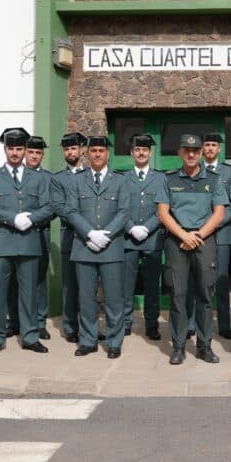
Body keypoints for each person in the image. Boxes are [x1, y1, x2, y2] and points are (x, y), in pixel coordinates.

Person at [157, 134, 227, 365]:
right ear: (179, 152)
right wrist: (183, 235)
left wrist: (197, 235)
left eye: (195, 150)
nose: (191, 154)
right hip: (177, 241)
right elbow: (163, 213)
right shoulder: (168, 180)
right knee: (177, 296)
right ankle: (178, 347)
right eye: (186, 150)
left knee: (205, 295)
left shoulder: (214, 180)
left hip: (203, 240)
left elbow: (219, 213)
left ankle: (205, 347)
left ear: (200, 153)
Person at [0, 127, 52, 355]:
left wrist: (30, 219)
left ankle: (30, 336)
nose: (15, 153)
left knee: (29, 293)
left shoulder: (39, 178)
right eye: (11, 148)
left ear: (25, 150)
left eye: (19, 148)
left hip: (30, 242)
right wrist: (12, 219)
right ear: (5, 149)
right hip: (2, 244)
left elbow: (49, 206)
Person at [65, 135, 130, 359]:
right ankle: (88, 340)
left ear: (108, 154)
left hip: (111, 248)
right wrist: (90, 233)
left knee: (113, 298)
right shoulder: (77, 180)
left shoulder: (120, 180)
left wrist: (106, 235)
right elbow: (71, 211)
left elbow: (124, 212)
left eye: (102, 150)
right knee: (86, 298)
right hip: (84, 247)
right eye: (93, 151)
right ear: (88, 154)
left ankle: (114, 342)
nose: (98, 154)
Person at [185, 133, 231, 340]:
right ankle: (191, 323)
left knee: (221, 281)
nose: (210, 149)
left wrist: (214, 223)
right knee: (195, 279)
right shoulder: (194, 170)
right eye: (207, 145)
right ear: (202, 149)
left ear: (219, 149)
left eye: (213, 145)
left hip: (220, 234)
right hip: (197, 233)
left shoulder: (228, 172)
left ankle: (224, 325)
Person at [5, 136, 54, 340]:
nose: (34, 156)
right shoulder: (14, 175)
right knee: (13, 279)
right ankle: (14, 321)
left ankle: (39, 322)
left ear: (42, 155)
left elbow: (53, 206)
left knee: (39, 279)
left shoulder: (49, 178)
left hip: (40, 232)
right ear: (25, 152)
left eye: (38, 153)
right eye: (31, 152)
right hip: (14, 232)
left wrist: (33, 219)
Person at [122, 134, 166, 341]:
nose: (141, 152)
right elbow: (119, 208)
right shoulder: (122, 178)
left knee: (151, 286)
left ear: (150, 153)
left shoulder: (161, 178)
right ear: (132, 153)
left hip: (152, 239)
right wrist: (131, 228)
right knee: (126, 285)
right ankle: (125, 323)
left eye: (145, 149)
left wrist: (147, 228)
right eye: (137, 149)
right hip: (128, 239)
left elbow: (164, 208)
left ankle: (151, 324)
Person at [50, 132, 85, 343]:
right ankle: (71, 327)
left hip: (91, 239)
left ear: (81, 149)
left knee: (89, 287)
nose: (70, 152)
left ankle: (88, 327)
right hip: (70, 237)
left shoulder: (92, 174)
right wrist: (84, 222)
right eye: (66, 149)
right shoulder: (58, 179)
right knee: (70, 286)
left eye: (73, 148)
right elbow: (59, 207)